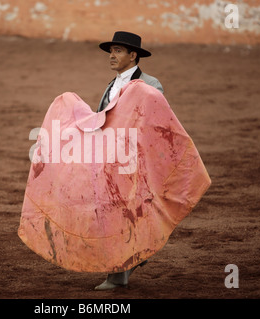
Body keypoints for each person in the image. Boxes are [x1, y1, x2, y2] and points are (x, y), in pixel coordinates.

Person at [94, 31, 164, 290]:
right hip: (110, 161)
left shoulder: (151, 85)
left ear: (133, 55)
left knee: (121, 217)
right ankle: (137, 255)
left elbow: (156, 122)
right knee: (112, 215)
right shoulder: (111, 85)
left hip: (134, 162)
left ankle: (117, 276)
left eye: (118, 51)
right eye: (111, 50)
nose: (112, 56)